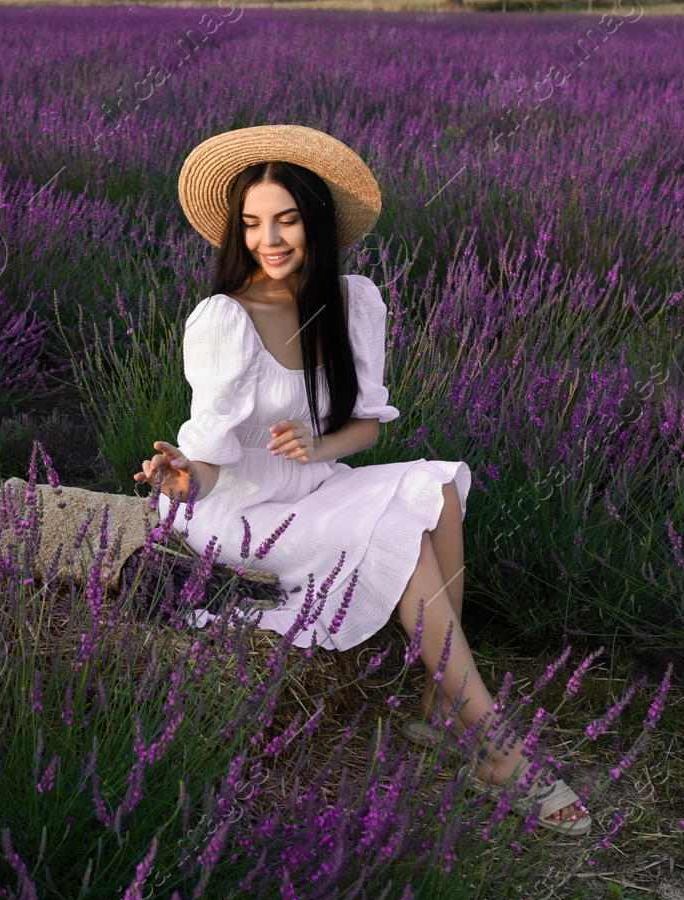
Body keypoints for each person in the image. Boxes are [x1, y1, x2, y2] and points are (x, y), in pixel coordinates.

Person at [133, 124, 590, 836]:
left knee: (435, 487)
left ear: (314, 221)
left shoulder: (352, 300)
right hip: (243, 512)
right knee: (395, 535)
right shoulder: (225, 319)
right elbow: (210, 457)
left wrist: (320, 444)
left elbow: (367, 427)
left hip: (313, 485)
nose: (269, 238)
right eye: (252, 224)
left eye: (285, 219)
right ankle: (498, 750)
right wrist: (179, 479)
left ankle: (445, 710)